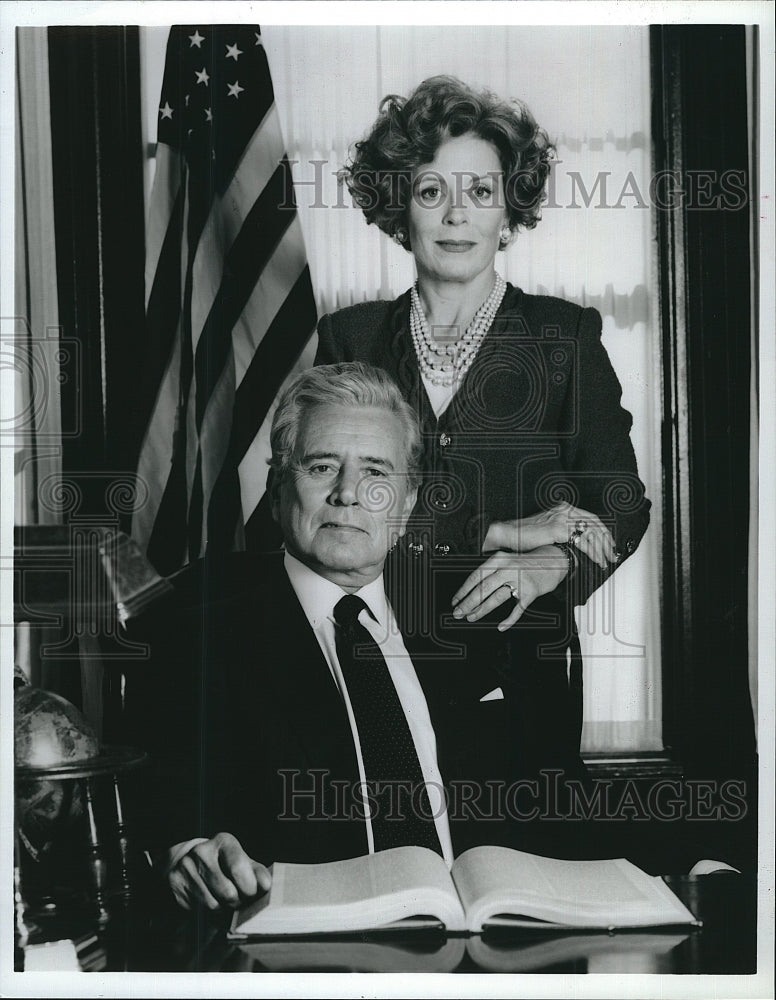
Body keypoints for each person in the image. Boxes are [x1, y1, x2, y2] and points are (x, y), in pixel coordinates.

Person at [127, 362, 556, 914]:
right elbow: (166, 808)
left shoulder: (475, 620)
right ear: (280, 489)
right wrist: (187, 853)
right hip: (307, 956)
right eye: (322, 466)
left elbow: (558, 800)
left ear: (405, 505)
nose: (348, 493)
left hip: (483, 945)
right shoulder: (194, 633)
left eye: (376, 473)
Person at [315, 75, 651, 752]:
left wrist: (554, 563)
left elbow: (621, 502)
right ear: (400, 207)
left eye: (480, 191)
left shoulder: (562, 339)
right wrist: (497, 528)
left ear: (509, 209)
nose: (456, 215)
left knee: (515, 852)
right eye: (431, 191)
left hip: (516, 672)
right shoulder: (349, 339)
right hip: (371, 659)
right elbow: (318, 502)